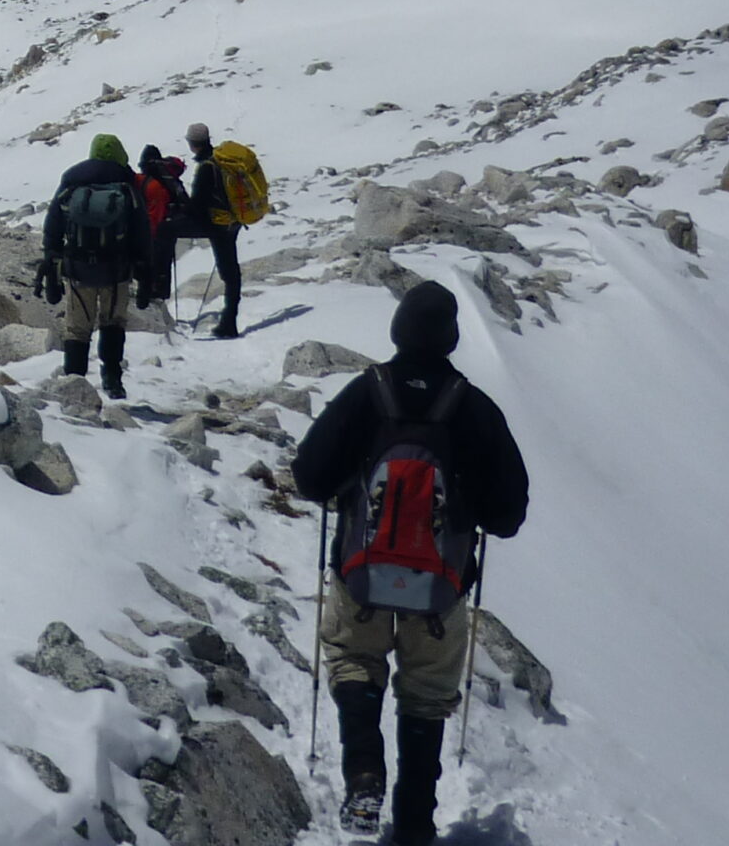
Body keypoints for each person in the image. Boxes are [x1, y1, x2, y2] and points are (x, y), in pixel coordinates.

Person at [291, 282, 531, 844]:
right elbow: (508, 513)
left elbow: (309, 476)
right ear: (450, 338)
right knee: (426, 693)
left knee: (353, 661)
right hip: (440, 588)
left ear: (397, 331)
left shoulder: (366, 393)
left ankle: (364, 775)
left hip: (361, 573)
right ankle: (417, 822)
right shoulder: (472, 406)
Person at [36, 132, 155, 400]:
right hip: (117, 269)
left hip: (78, 267)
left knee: (77, 327)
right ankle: (112, 379)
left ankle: (73, 383)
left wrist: (51, 264)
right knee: (113, 321)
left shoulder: (72, 181)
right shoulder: (126, 185)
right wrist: (145, 270)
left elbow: (53, 225)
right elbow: (141, 231)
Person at [183, 122, 251, 338]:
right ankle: (229, 319)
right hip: (235, 220)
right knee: (231, 269)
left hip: (219, 223)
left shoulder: (206, 167)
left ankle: (229, 322)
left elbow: (198, 204)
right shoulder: (222, 161)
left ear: (193, 144)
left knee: (228, 271)